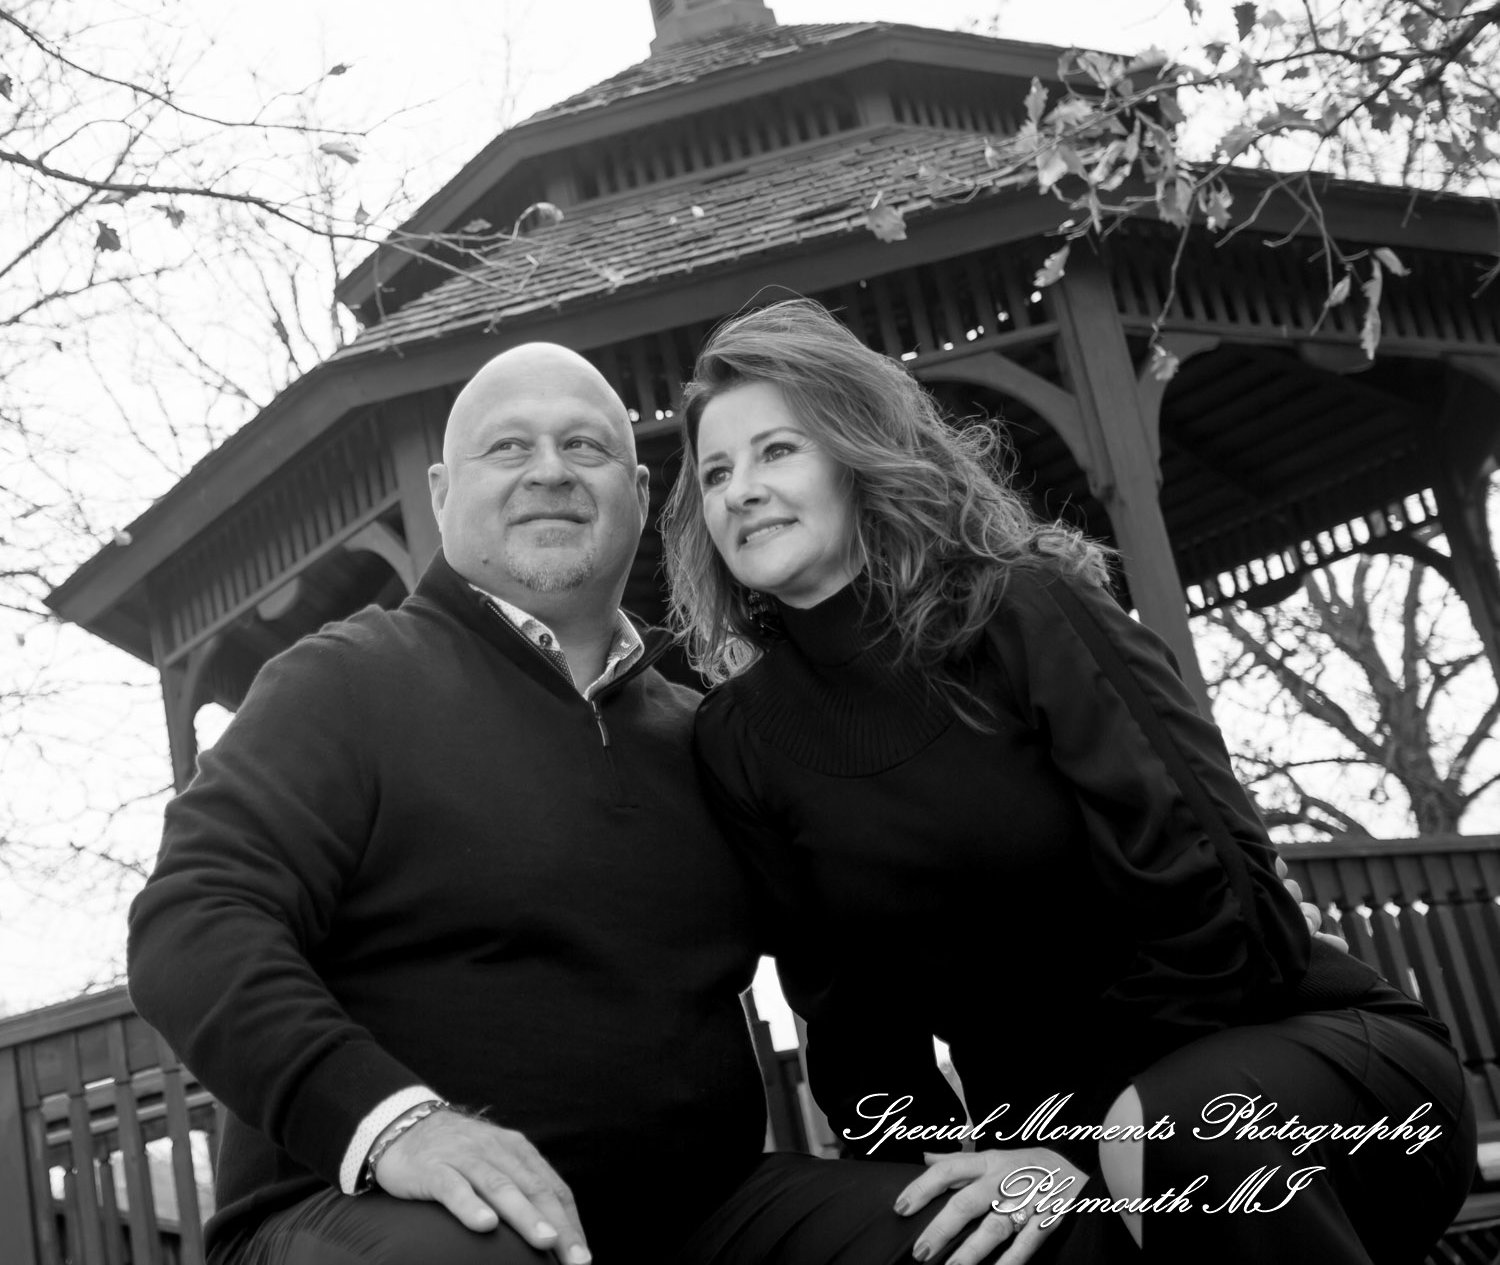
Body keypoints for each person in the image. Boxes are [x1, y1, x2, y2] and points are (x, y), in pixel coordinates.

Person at [662, 299, 1478, 1265]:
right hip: (1053, 1143)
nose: (741, 491)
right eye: (717, 473)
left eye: (777, 452)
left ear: (858, 454)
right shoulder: (740, 739)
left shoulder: (1021, 607)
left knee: (1179, 1137)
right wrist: (947, 1174)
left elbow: (1230, 903)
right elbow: (852, 1029)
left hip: (1301, 1067)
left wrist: (1076, 1148)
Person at [127, 343, 972, 1265]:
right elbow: (195, 918)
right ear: (444, 492)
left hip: (703, 1216)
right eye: (509, 448)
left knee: (1012, 1234)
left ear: (640, 493)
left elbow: (845, 980)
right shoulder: (343, 684)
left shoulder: (711, 737)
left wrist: (948, 1159)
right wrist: (398, 1125)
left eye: (584, 446)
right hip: (359, 1210)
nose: (550, 471)